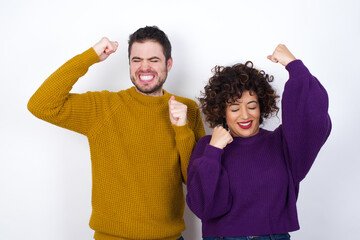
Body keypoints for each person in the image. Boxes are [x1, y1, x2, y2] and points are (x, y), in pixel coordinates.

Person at [28, 26, 205, 240]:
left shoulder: (187, 109)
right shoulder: (104, 106)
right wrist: (90, 57)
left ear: (169, 63)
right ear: (129, 64)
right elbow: (41, 105)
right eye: (136, 59)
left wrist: (182, 130)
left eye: (154, 60)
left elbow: (197, 183)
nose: (144, 67)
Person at [186, 44, 331, 240]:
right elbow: (204, 207)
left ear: (262, 106)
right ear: (222, 111)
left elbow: (314, 119)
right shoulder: (206, 147)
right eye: (235, 108)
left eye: (252, 106)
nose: (245, 115)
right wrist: (214, 151)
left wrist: (295, 66)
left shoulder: (282, 143)